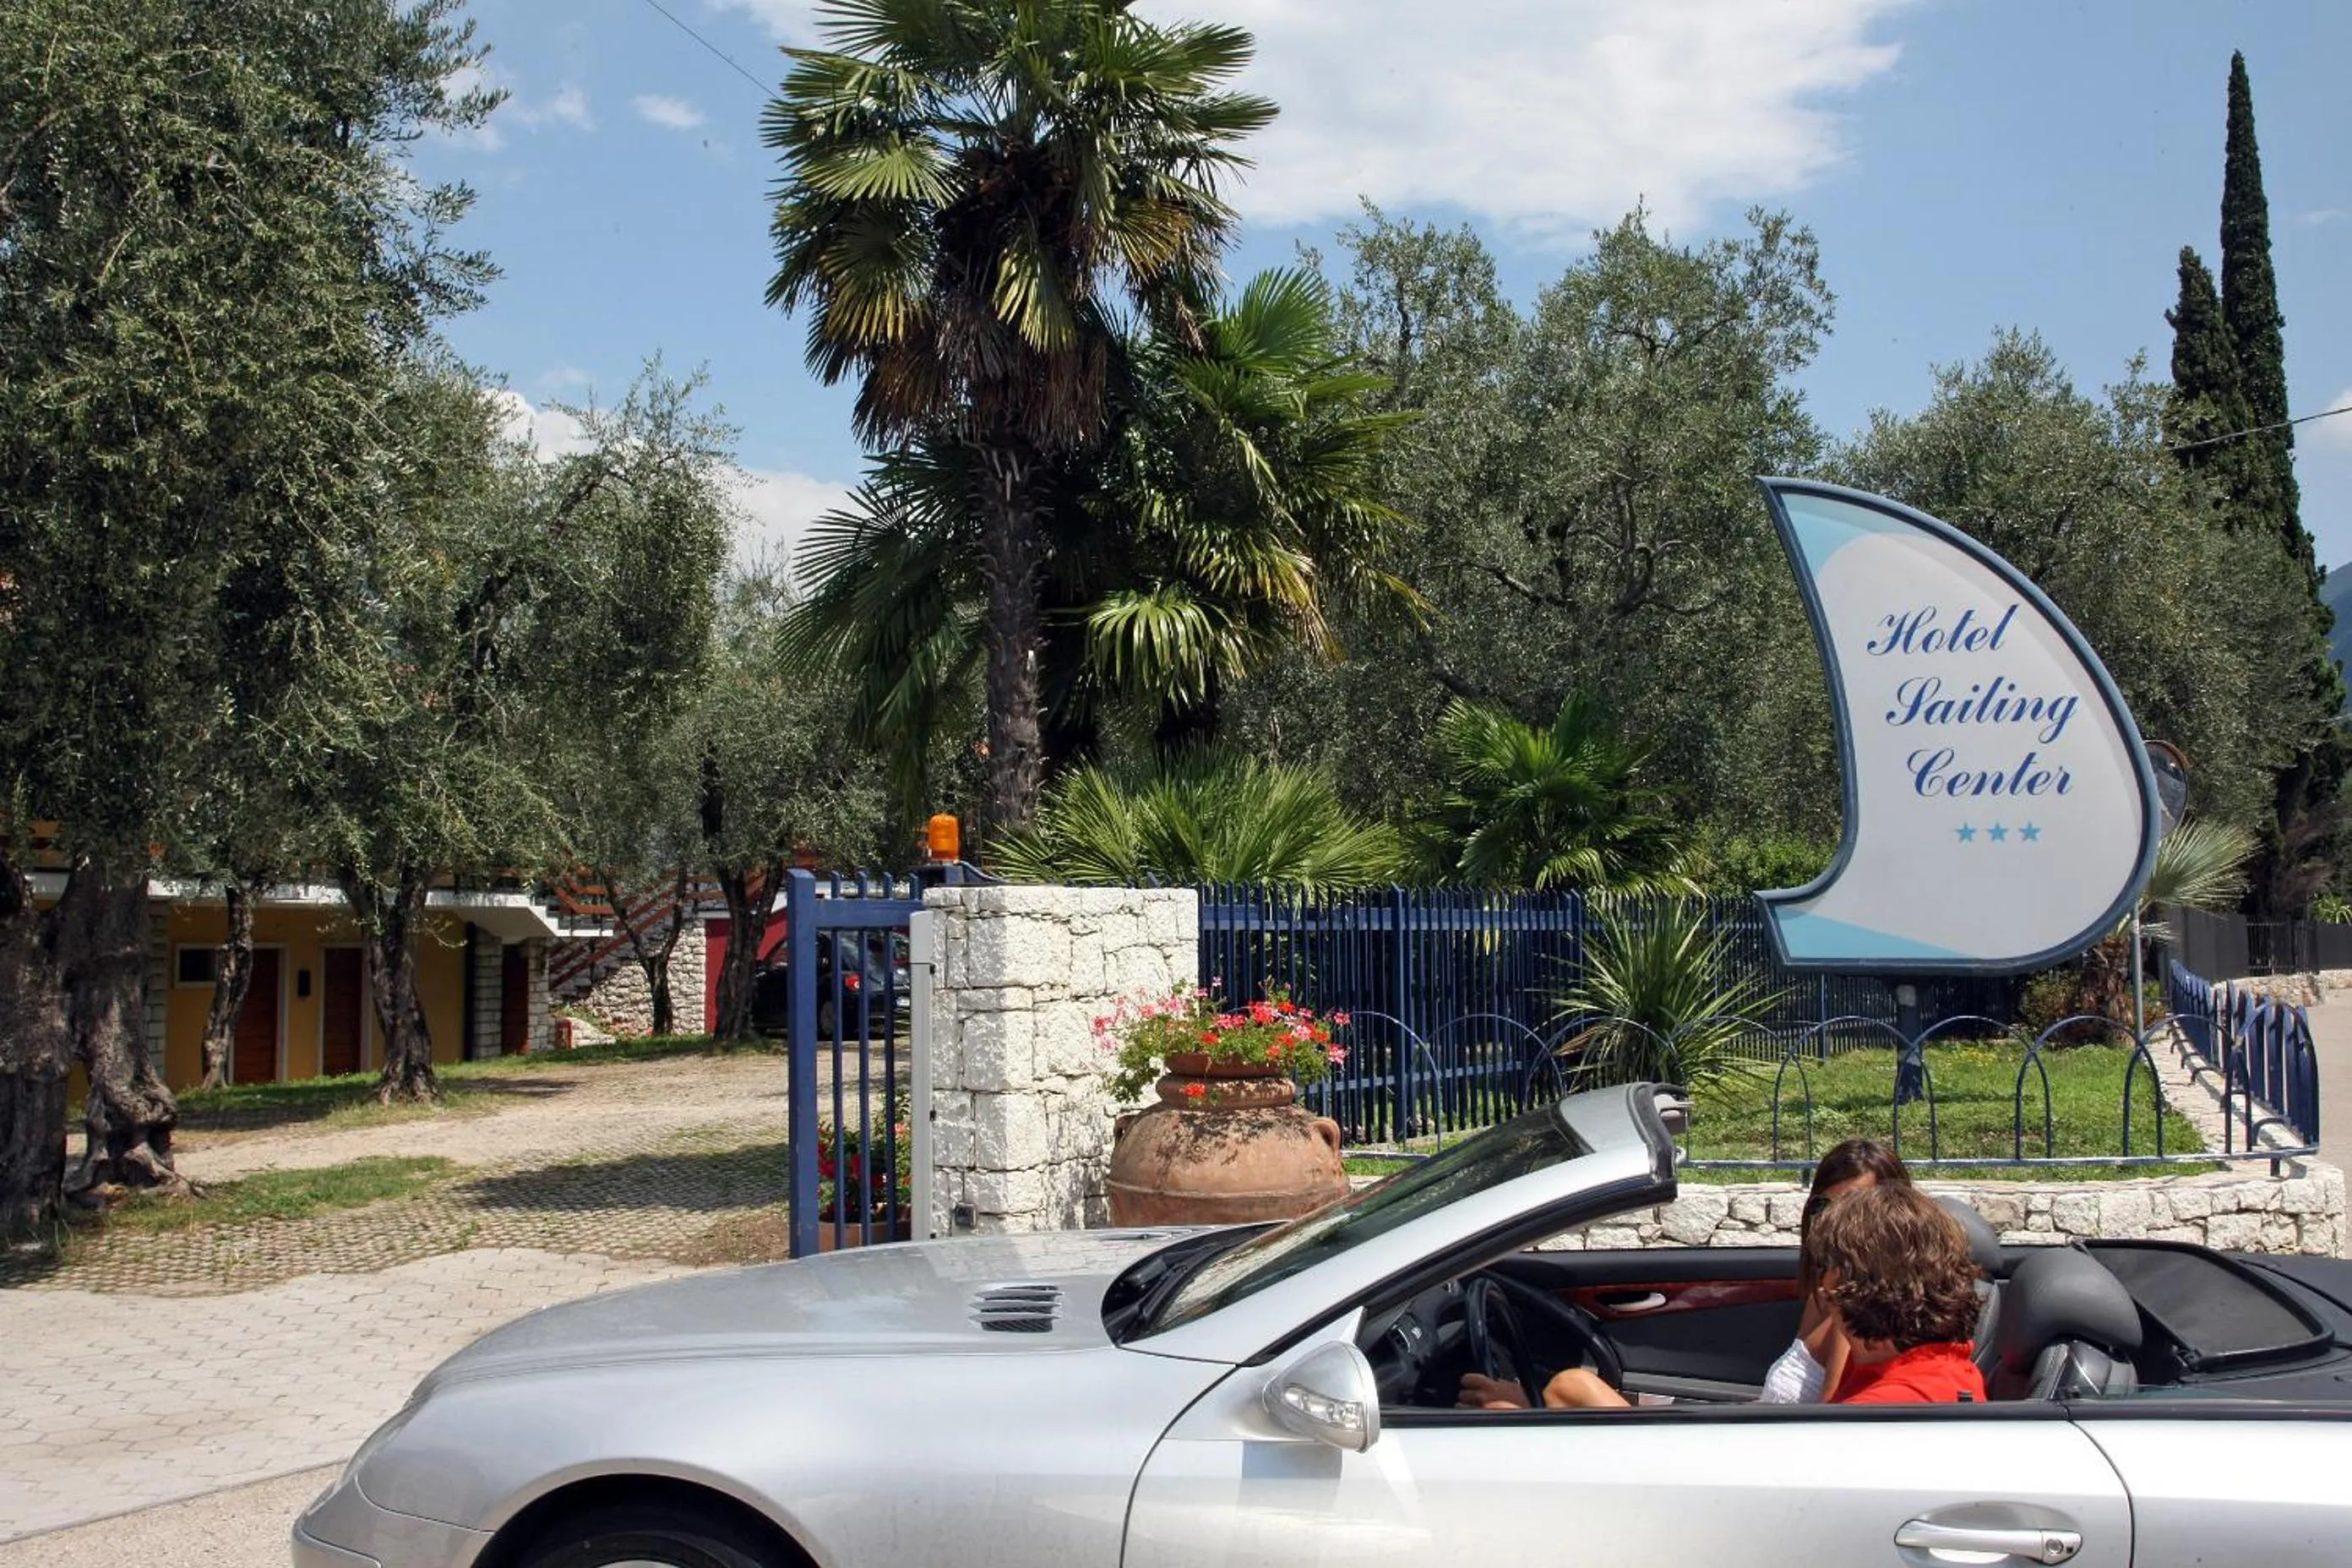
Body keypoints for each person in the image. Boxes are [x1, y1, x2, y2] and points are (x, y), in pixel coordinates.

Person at [1458, 1138, 1910, 1412]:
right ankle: (1524, 1412)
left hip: (1767, 1456)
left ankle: (1520, 1415)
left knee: (1571, 1388)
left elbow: (1825, 1429)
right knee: (1573, 1389)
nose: (1834, 1222)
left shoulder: (1859, 1315)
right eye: (1824, 1207)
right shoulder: (1824, 1296)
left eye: (1855, 1208)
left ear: (1892, 1214)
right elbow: (1782, 1408)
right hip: (1757, 1436)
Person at [1805, 1182, 1987, 1404]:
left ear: (1853, 1283)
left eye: (1827, 1264)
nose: (1822, 1283)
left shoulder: (1888, 1406)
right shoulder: (1935, 1366)